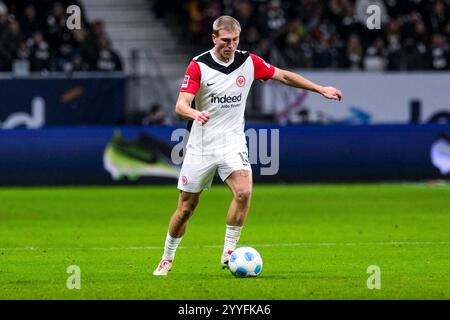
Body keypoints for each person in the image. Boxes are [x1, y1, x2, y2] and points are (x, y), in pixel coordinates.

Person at [153, 15, 342, 276]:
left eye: (235, 40)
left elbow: (283, 76)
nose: (230, 45)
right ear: (214, 38)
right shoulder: (198, 66)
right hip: (202, 144)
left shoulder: (248, 62)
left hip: (233, 142)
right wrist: (195, 114)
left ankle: (229, 252)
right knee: (186, 208)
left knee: (243, 192)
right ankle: (167, 257)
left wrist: (320, 89)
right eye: (226, 41)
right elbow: (180, 104)